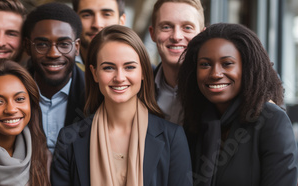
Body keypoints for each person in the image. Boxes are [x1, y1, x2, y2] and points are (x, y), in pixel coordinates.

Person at [51, 25, 192, 186]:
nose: (119, 77)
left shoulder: (173, 137)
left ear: (144, 72)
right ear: (95, 73)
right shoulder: (68, 139)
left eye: (129, 67)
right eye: (109, 68)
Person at [178, 23, 298, 186]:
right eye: (205, 64)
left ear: (247, 68)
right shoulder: (195, 123)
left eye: (227, 63)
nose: (215, 74)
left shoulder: (272, 121)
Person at [22, 2, 86, 153]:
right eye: (42, 44)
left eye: (64, 44)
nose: (53, 54)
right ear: (27, 46)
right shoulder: (12, 92)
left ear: (76, 47)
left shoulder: (96, 96)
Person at [149, 0, 205, 125]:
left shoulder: (214, 93)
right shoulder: (136, 91)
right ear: (152, 34)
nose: (176, 36)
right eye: (166, 27)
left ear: (202, 35)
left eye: (187, 27)